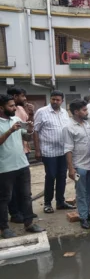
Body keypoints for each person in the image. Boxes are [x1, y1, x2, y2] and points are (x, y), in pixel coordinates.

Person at [0, 94, 44, 238]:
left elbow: (26, 137)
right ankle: (4, 228)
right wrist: (10, 131)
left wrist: (30, 130)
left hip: (22, 165)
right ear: (1, 108)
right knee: (5, 198)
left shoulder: (16, 119)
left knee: (26, 196)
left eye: (14, 105)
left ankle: (29, 223)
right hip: (4, 168)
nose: (14, 108)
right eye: (11, 106)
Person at [34, 90, 75, 214]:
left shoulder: (64, 113)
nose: (55, 102)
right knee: (51, 176)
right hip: (48, 152)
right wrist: (37, 150)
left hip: (63, 151)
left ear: (62, 101)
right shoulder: (41, 112)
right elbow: (36, 131)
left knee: (62, 177)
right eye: (53, 99)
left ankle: (60, 202)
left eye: (58, 100)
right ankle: (47, 204)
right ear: (50, 99)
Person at [63, 99, 90, 230]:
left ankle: (87, 213)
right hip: (79, 167)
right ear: (76, 112)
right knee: (81, 192)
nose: (86, 112)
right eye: (84, 110)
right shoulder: (68, 128)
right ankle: (83, 217)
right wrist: (71, 169)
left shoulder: (87, 124)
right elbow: (68, 149)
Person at [6, 87, 35, 223]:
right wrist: (11, 130)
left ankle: (26, 215)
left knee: (24, 190)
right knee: (10, 191)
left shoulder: (19, 112)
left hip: (23, 154)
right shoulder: (8, 116)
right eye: (22, 96)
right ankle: (15, 214)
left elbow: (26, 134)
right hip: (7, 161)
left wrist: (30, 127)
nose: (24, 99)